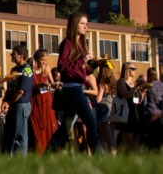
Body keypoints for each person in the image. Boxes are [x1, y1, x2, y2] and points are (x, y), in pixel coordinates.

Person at [45, 12, 103, 155]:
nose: (86, 26)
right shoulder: (67, 43)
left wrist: (95, 65)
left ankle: (47, 154)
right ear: (74, 24)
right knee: (91, 123)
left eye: (86, 23)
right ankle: (100, 156)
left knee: (65, 127)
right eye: (82, 23)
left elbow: (84, 71)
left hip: (78, 88)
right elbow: (62, 66)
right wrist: (83, 60)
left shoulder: (80, 44)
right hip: (72, 89)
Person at [1, 45, 33, 156]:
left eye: (13, 53)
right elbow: (10, 88)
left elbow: (20, 91)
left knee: (20, 135)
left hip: (21, 105)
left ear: (21, 56)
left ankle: (21, 163)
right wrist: (5, 101)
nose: (11, 55)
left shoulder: (27, 69)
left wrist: (8, 103)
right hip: (12, 105)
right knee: (8, 135)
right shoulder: (14, 70)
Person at [28, 49, 58, 154]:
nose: (44, 62)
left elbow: (52, 82)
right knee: (36, 125)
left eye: (45, 60)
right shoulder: (29, 69)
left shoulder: (46, 67)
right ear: (36, 58)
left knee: (49, 123)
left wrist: (55, 84)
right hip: (34, 99)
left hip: (46, 99)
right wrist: (41, 85)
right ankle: (38, 150)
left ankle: (51, 150)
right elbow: (27, 87)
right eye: (42, 60)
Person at [116, 62, 146, 153]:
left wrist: (143, 91)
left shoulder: (133, 83)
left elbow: (138, 101)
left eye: (135, 69)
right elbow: (126, 95)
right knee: (127, 139)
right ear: (126, 70)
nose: (135, 71)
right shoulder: (121, 82)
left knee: (135, 139)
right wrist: (136, 86)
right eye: (133, 69)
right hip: (126, 113)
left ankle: (134, 160)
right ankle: (118, 159)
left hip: (134, 113)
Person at [95, 63, 117, 155]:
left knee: (108, 138)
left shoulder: (102, 83)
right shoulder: (113, 83)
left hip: (103, 111)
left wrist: (91, 95)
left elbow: (98, 99)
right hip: (112, 110)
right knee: (110, 137)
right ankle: (107, 157)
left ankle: (113, 159)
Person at [142, 67, 163, 151]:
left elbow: (144, 102)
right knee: (160, 134)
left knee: (151, 135)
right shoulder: (162, 85)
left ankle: (152, 152)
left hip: (151, 112)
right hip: (161, 113)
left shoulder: (147, 86)